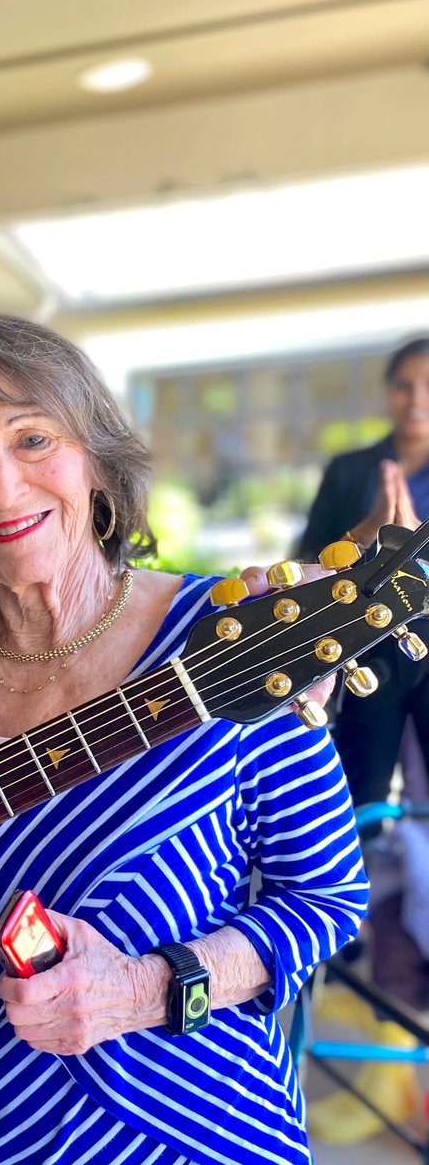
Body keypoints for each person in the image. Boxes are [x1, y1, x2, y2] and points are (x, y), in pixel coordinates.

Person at [0, 314, 369, 1165]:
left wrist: (145, 990)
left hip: (209, 1134)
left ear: (97, 459)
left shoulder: (229, 637)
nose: (3, 487)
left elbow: (329, 901)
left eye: (33, 438)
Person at [297, 336, 429, 1146]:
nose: (418, 401)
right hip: (373, 664)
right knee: (352, 804)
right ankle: (338, 935)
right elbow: (306, 571)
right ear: (388, 395)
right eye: (406, 387)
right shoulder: (354, 471)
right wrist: (369, 531)